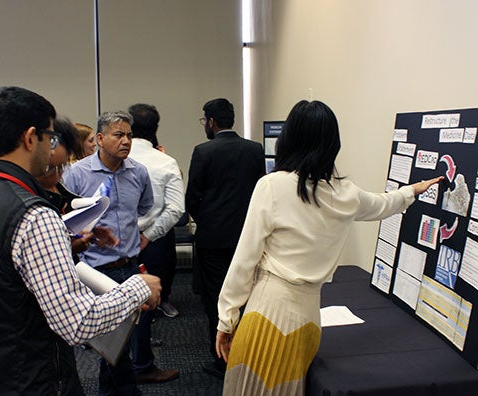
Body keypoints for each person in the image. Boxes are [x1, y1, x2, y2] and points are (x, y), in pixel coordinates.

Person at [0, 87, 161, 396]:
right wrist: (139, 287)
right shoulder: (33, 215)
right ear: (32, 138)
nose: (53, 150)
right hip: (31, 380)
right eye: (51, 138)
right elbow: (79, 322)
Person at [215, 100, 443, 396]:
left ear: (289, 139)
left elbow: (244, 261)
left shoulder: (272, 186)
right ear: (332, 144)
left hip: (266, 315)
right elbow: (385, 204)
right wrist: (413, 190)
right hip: (309, 321)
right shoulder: (346, 195)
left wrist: (227, 318)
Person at [64, 110, 176, 393]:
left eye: (129, 135)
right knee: (111, 344)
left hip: (128, 266)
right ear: (100, 139)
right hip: (94, 271)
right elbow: (66, 217)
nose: (126, 141)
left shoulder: (138, 172)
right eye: (118, 135)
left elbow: (143, 207)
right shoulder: (78, 174)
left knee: (119, 344)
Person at [185, 97, 265, 378]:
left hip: (213, 239)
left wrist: (206, 220)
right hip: (248, 237)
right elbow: (260, 192)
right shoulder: (255, 150)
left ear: (211, 121)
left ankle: (222, 359)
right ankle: (246, 353)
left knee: (216, 298)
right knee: (247, 295)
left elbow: (192, 197)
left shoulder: (203, 151)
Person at [126, 103, 183, 379]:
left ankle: (120, 364)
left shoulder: (111, 158)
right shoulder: (166, 162)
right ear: (155, 130)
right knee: (146, 306)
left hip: (115, 242)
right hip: (154, 243)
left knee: (116, 303)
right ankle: (142, 365)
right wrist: (148, 236)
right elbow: (175, 209)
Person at [37, 116, 117, 253]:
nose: (57, 175)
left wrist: (90, 231)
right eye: (50, 169)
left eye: (61, 167)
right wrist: (70, 248)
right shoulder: (28, 205)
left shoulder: (61, 191)